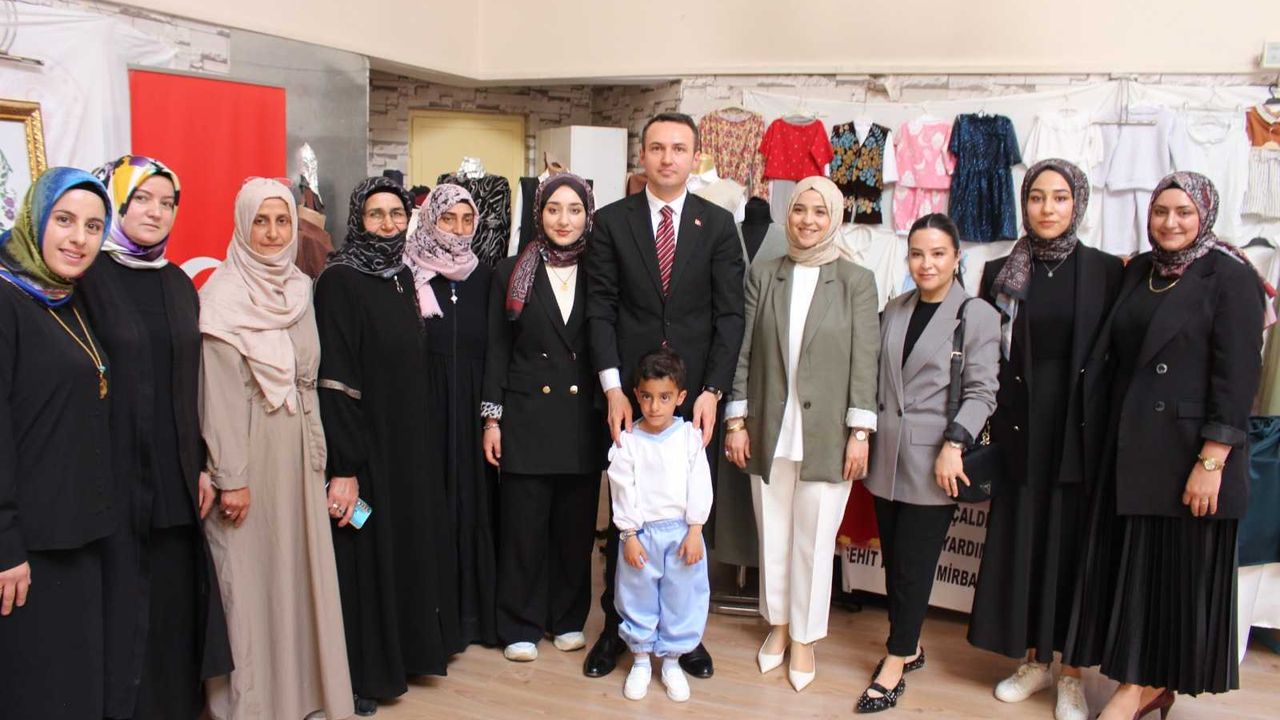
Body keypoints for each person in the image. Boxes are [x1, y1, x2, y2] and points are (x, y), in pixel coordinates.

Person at [1065, 172, 1266, 720]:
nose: (1170, 223)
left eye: (1183, 212)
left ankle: (1136, 688)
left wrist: (1212, 460)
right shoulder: (1140, 272)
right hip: (1130, 450)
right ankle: (1145, 684)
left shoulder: (1231, 277)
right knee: (1135, 577)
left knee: (1168, 581)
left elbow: (1238, 379)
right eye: (1160, 211)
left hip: (1187, 456)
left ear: (1205, 214)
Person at [585, 111, 746, 680]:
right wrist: (612, 388)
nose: (667, 158)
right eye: (657, 147)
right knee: (628, 510)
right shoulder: (611, 222)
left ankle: (685, 636)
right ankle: (616, 629)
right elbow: (600, 308)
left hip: (690, 399)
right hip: (631, 397)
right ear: (643, 155)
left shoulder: (718, 224)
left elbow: (730, 315)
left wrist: (712, 391)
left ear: (695, 157)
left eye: (679, 148)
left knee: (684, 513)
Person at [966, 159, 1123, 720]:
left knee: (1073, 548)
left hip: (1081, 433)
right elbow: (987, 359)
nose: (1047, 208)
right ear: (1024, 203)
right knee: (1026, 545)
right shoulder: (999, 271)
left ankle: (1072, 675)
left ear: (1077, 203)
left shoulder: (1107, 270)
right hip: (1022, 431)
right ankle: (1035, 661)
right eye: (1036, 197)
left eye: (1059, 197)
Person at [80, 155, 233, 720]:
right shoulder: (88, 278)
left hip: (177, 479)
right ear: (114, 202)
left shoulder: (176, 282)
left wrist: (201, 464)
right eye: (142, 198)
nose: (156, 212)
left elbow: (189, 381)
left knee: (174, 609)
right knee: (125, 610)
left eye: (167, 202)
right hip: (114, 478)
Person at [199, 178, 353, 720]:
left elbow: (309, 379)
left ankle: (302, 696)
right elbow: (217, 397)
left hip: (300, 452)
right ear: (242, 226)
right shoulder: (220, 298)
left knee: (298, 574)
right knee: (250, 582)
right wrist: (231, 478)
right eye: (260, 221)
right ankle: (254, 704)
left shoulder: (300, 289)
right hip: (250, 455)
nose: (271, 233)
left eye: (282, 221)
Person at [723, 176, 879, 692]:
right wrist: (737, 420)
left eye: (819, 211)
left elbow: (865, 361)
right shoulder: (765, 274)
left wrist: (860, 432)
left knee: (814, 539)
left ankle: (806, 637)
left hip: (828, 435)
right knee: (773, 533)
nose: (808, 220)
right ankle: (778, 625)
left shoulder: (856, 280)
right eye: (799, 210)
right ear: (786, 215)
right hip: (769, 429)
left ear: (834, 217)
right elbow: (744, 350)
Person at [315, 176, 462, 716]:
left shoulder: (401, 275)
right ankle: (361, 675)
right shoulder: (339, 281)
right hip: (365, 448)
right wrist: (346, 466)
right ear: (358, 220)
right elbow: (336, 378)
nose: (387, 224)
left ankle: (405, 656)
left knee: (401, 548)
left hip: (406, 445)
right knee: (363, 553)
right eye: (375, 215)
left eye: (397, 214)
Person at [859, 213, 999, 714]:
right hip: (886, 457)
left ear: (957, 257)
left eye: (938, 253)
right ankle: (912, 643)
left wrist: (955, 444)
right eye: (917, 253)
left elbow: (983, 391)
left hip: (935, 459)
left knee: (914, 568)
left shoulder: (976, 314)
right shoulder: (895, 308)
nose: (926, 263)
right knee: (896, 561)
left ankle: (896, 660)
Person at [0, 167, 115, 720]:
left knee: (74, 689)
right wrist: (5, 545)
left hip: (78, 534)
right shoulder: (6, 300)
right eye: (64, 220)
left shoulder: (69, 298)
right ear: (35, 218)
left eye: (93, 226)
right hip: (27, 548)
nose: (79, 238)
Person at [481, 172, 607, 662]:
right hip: (526, 415)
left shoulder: (601, 268)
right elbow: (497, 349)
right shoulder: (510, 270)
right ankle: (519, 622)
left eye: (575, 210)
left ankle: (567, 618)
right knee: (523, 530)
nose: (564, 220)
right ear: (538, 213)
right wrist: (492, 420)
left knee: (574, 530)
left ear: (588, 215)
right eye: (554, 209)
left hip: (581, 419)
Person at [404, 183, 498, 647]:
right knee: (431, 505)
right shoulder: (407, 274)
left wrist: (491, 417)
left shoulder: (486, 276)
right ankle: (433, 620)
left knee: (472, 506)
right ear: (429, 220)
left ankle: (473, 618)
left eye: (467, 220)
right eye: (448, 219)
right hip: (425, 409)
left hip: (472, 410)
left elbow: (498, 348)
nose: (458, 229)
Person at [609, 349, 713, 703]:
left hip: (682, 534)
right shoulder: (629, 441)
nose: (655, 407)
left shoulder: (689, 438)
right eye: (647, 397)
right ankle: (640, 660)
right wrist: (629, 535)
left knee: (682, 596)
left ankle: (671, 661)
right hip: (641, 536)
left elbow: (700, 485)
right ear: (636, 395)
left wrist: (695, 530)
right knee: (636, 595)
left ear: (680, 397)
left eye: (664, 398)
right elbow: (623, 489)